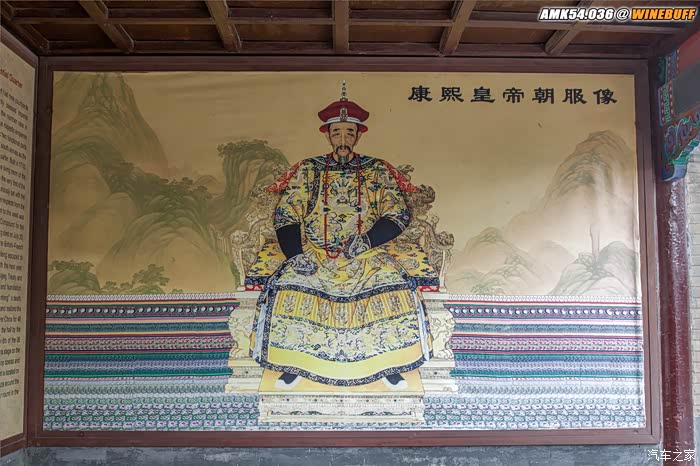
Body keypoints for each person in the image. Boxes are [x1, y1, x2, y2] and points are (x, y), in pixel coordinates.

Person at [249, 82, 432, 390]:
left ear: (358, 135)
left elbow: (398, 213)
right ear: (328, 135)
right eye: (338, 133)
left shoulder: (376, 170)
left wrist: (368, 240)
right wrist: (296, 255)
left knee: (393, 286)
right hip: (317, 255)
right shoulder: (310, 170)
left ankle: (390, 364)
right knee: (289, 285)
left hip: (365, 254)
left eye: (350, 133)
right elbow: (286, 214)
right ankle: (294, 364)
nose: (343, 140)